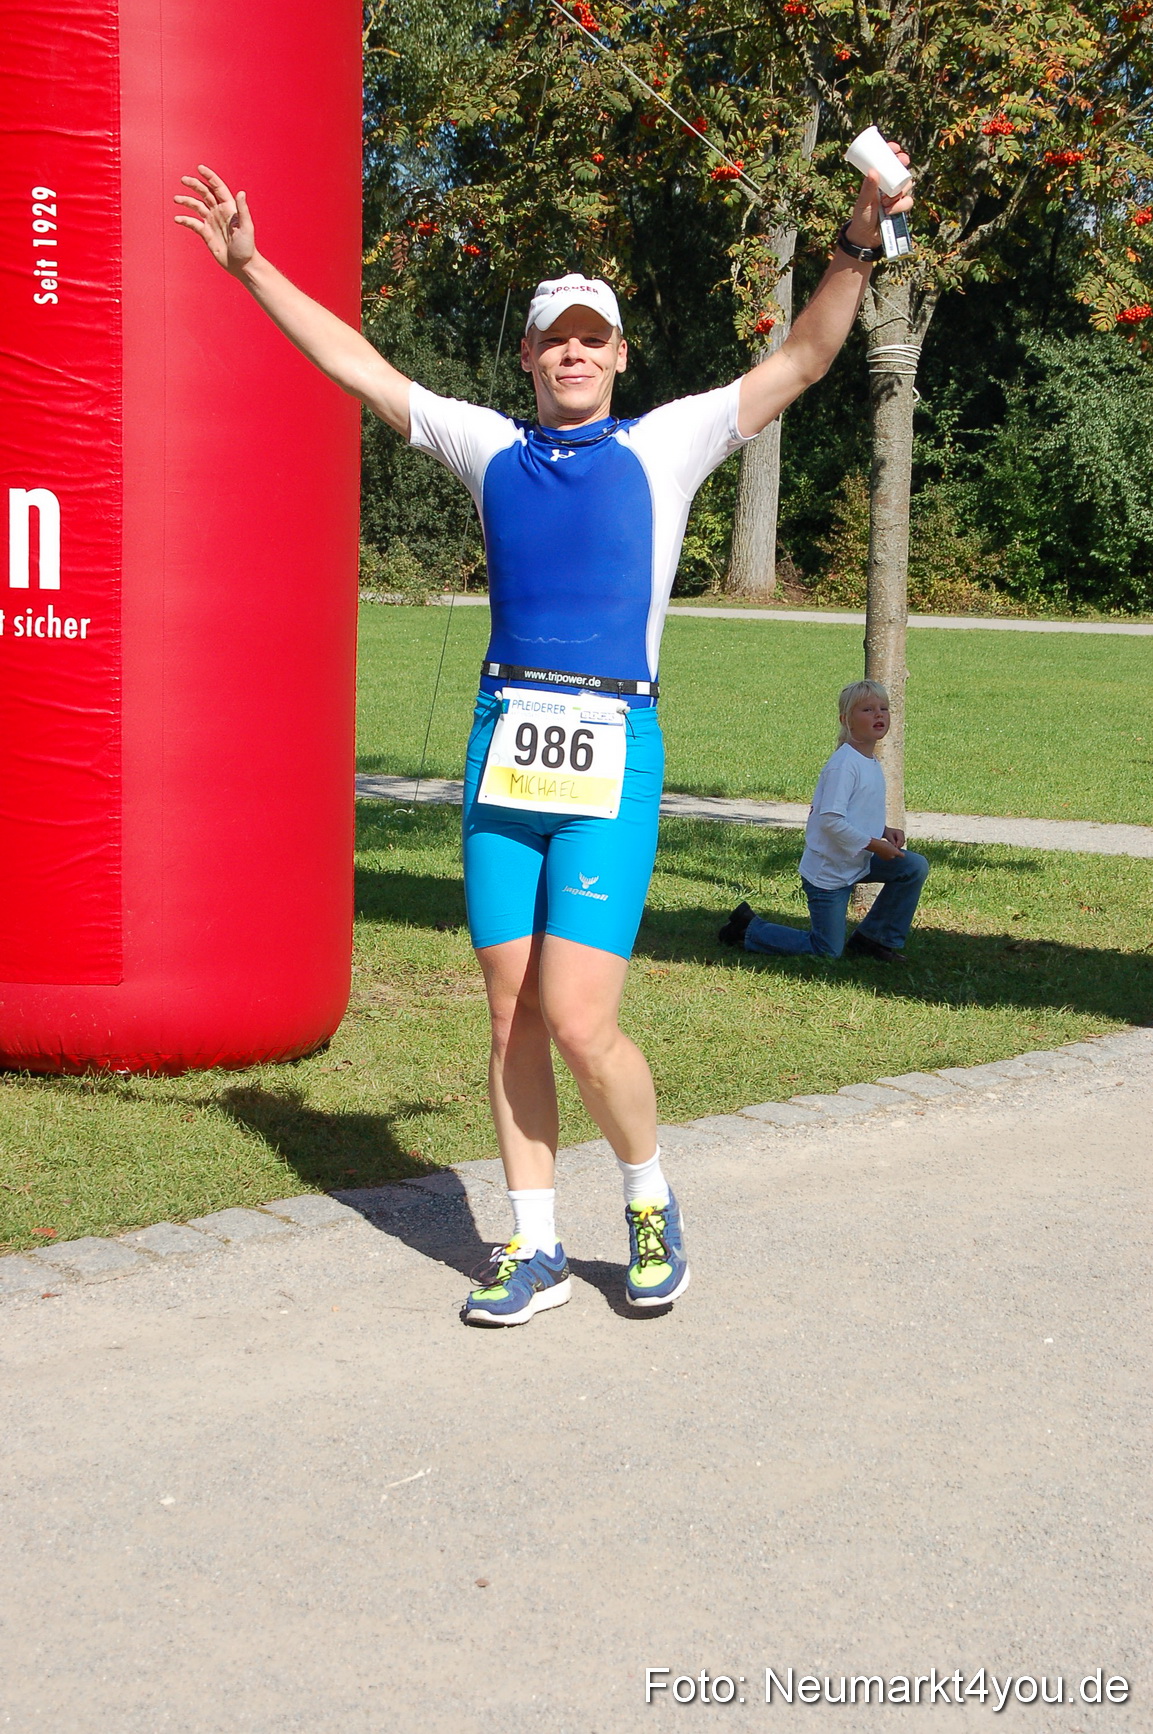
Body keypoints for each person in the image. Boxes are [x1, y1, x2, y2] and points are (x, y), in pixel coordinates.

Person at [174, 148, 914, 1326]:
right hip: (503, 743)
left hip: (614, 745)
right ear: (529, 357)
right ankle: (533, 1248)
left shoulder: (664, 444)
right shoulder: (487, 446)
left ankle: (649, 1197)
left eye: (592, 336)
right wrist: (252, 265)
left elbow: (806, 356)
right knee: (510, 1006)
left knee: (579, 1016)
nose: (572, 352)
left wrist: (858, 238)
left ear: (620, 356)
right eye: (552, 338)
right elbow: (356, 364)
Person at [718, 680, 929, 964]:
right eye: (867, 709)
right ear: (846, 720)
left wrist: (883, 831)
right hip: (829, 873)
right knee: (826, 949)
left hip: (857, 860)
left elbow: (856, 813)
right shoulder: (844, 765)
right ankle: (748, 929)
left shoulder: (869, 760)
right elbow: (830, 820)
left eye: (884, 708)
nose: (879, 715)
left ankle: (874, 939)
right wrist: (875, 846)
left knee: (913, 866)